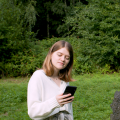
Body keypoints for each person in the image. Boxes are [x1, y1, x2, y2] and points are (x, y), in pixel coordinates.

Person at [27, 40, 75, 120]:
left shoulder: (65, 81)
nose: (63, 59)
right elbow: (33, 112)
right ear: (51, 54)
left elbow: (69, 111)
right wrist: (55, 102)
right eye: (59, 55)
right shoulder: (38, 76)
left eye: (67, 58)